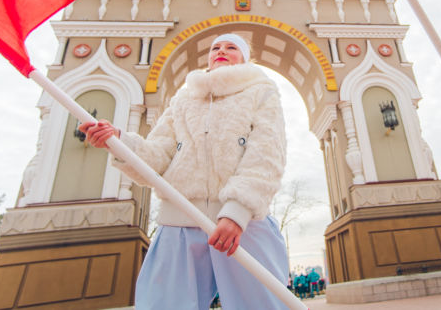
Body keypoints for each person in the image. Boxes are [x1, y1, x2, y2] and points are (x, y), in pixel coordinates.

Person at [80, 33, 289, 310]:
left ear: (244, 58)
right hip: (179, 224)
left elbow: (267, 153)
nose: (221, 51)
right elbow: (158, 154)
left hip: (242, 225)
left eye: (231, 48)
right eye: (216, 47)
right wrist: (118, 142)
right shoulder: (183, 99)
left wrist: (237, 212)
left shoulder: (262, 91)